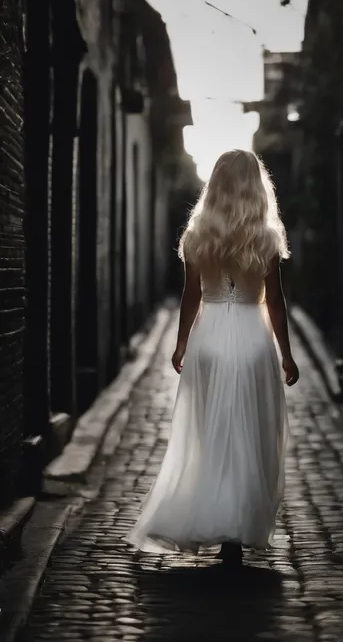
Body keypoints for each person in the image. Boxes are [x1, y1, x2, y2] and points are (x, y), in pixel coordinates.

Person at [125, 149, 299, 566]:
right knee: (250, 434)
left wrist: (182, 342)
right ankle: (236, 530)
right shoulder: (267, 236)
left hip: (209, 339)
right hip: (252, 338)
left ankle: (213, 512)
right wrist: (287, 354)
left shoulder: (198, 235)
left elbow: (191, 297)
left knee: (209, 435)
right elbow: (274, 300)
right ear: (258, 187)